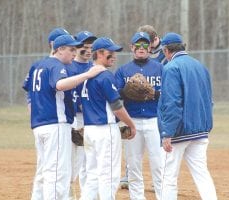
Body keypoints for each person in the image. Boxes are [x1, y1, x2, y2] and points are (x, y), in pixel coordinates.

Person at [23, 34, 105, 200]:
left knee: (45, 171)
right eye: (71, 49)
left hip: (40, 125)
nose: (74, 53)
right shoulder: (56, 65)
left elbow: (30, 93)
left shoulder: (38, 65)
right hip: (56, 124)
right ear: (59, 49)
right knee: (57, 173)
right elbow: (60, 85)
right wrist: (87, 75)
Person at [157, 32, 217, 200]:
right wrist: (206, 125)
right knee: (202, 174)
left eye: (164, 52)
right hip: (200, 129)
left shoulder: (171, 68)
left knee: (168, 177)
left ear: (167, 50)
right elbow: (209, 99)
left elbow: (172, 103)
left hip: (179, 131)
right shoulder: (200, 66)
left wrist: (167, 133)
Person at [79, 37, 136, 200]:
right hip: (105, 130)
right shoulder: (105, 76)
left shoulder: (86, 76)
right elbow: (117, 108)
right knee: (109, 175)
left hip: (89, 130)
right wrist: (131, 124)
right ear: (99, 53)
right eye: (110, 52)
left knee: (92, 175)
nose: (114, 56)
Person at [115, 32, 163, 200]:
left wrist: (153, 93)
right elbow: (116, 95)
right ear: (132, 47)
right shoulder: (123, 71)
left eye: (145, 45)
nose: (141, 48)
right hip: (132, 121)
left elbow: (168, 93)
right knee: (133, 165)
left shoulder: (160, 68)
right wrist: (127, 92)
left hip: (154, 121)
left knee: (159, 164)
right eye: (138, 45)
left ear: (150, 47)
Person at [67, 30, 97, 200]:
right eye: (84, 47)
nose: (88, 50)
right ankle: (68, 196)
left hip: (90, 119)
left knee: (89, 162)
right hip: (73, 119)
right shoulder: (69, 67)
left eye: (91, 47)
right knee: (72, 162)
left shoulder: (94, 67)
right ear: (76, 47)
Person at [25, 27, 70, 111]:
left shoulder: (69, 63)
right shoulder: (38, 65)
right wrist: (30, 103)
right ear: (52, 43)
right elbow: (29, 88)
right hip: (51, 113)